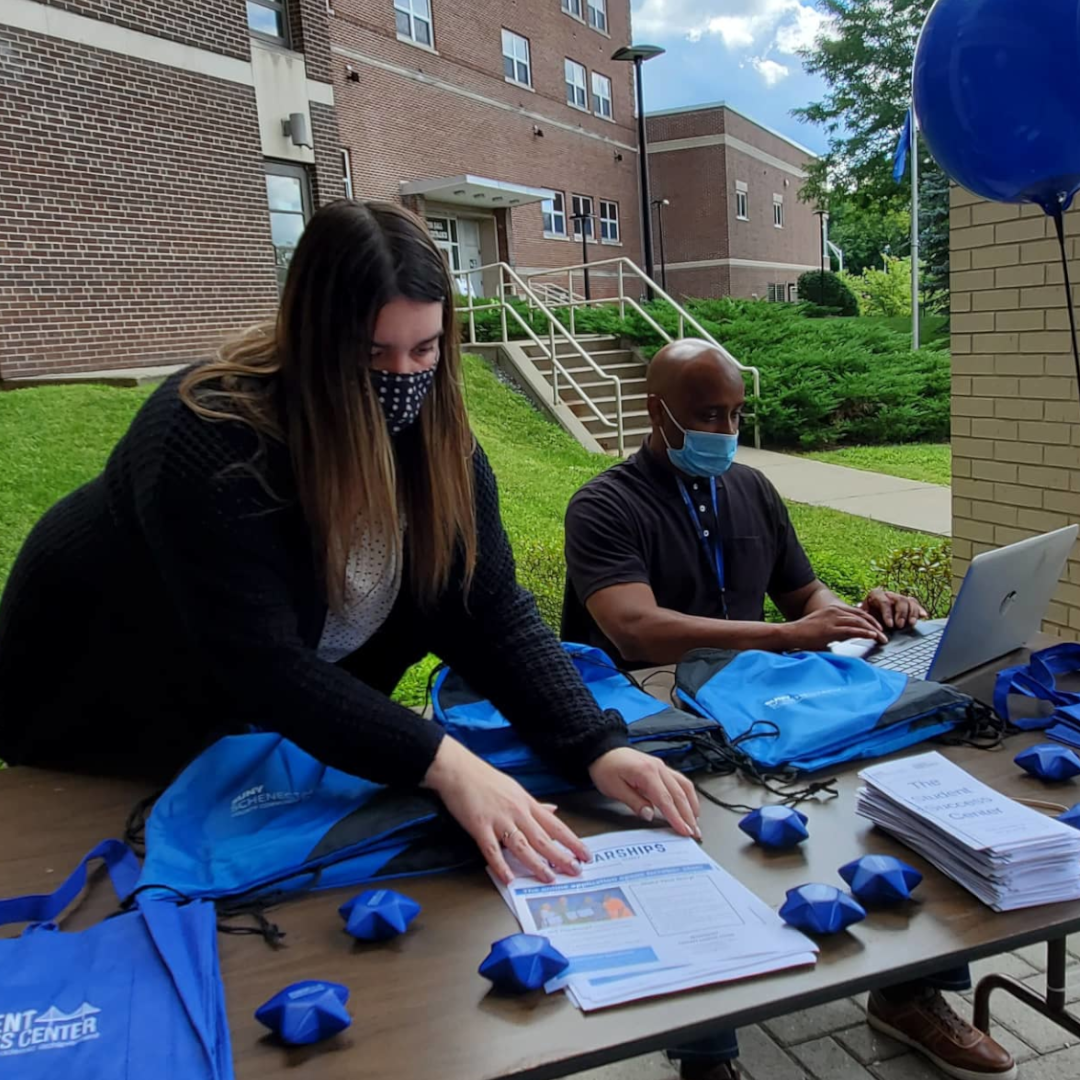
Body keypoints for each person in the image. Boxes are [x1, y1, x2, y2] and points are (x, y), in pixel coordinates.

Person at [0, 200, 700, 889]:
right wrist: (448, 763)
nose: (402, 378)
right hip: (92, 723)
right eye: (372, 353)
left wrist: (595, 745)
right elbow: (263, 663)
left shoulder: (440, 440)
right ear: (312, 339)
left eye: (423, 350)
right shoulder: (208, 437)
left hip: (242, 734)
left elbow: (485, 608)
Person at [562, 340, 1016, 1080]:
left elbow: (804, 596)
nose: (726, 429)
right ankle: (707, 1056)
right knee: (692, 844)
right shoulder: (605, 504)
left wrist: (859, 615)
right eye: (708, 414)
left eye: (737, 414)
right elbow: (631, 628)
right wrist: (782, 634)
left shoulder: (752, 488)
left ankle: (910, 993)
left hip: (761, 702)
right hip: (657, 717)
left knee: (897, 792)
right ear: (658, 411)